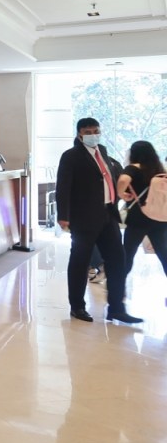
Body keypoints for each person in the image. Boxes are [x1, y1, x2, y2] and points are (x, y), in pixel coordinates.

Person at [55, 117, 142, 324]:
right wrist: (63, 216)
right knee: (80, 262)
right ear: (79, 134)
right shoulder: (71, 156)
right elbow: (63, 187)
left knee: (117, 260)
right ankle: (77, 306)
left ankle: (116, 309)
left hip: (108, 215)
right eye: (88, 131)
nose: (93, 134)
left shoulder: (102, 151)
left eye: (96, 130)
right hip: (83, 217)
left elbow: (109, 178)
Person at [117, 140, 167, 278]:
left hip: (138, 219)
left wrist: (121, 193)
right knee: (163, 254)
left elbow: (122, 180)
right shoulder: (159, 170)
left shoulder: (133, 168)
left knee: (128, 254)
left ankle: (118, 288)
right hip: (160, 218)